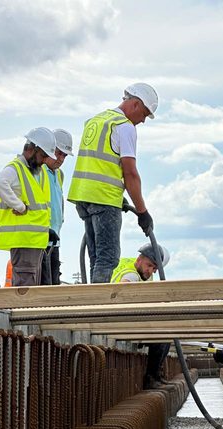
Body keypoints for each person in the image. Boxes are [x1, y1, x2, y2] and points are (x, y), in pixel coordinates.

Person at [68, 82, 158, 283]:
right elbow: (130, 173)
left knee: (97, 259)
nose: (143, 120)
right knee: (108, 259)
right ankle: (100, 302)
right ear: (136, 104)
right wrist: (142, 212)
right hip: (104, 198)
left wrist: (121, 197)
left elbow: (100, 164)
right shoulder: (125, 127)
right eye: (144, 114)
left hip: (83, 196)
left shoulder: (96, 121)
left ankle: (93, 297)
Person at [0, 127, 57, 286]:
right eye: (43, 156)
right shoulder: (15, 169)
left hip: (35, 242)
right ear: (32, 149)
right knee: (25, 287)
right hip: (24, 241)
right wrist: (20, 207)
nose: (44, 160)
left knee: (32, 285)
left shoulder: (37, 172)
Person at [111, 243, 172, 389]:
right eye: (149, 265)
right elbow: (123, 290)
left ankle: (156, 376)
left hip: (131, 320)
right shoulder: (131, 275)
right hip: (121, 320)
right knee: (162, 336)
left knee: (168, 334)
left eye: (154, 268)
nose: (150, 271)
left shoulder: (143, 274)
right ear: (139, 259)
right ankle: (151, 378)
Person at [41, 128, 73, 285]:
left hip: (54, 239)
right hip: (40, 238)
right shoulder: (39, 171)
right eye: (59, 153)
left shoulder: (59, 174)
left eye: (64, 155)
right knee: (43, 284)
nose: (61, 159)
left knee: (53, 283)